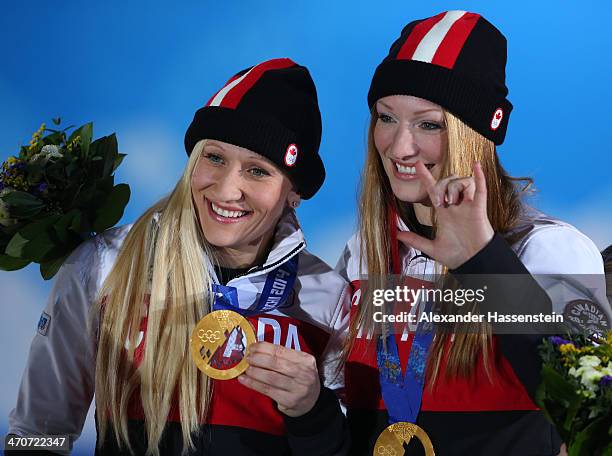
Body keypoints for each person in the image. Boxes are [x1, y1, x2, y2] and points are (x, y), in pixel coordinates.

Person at [8, 58, 350, 455]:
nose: (227, 190)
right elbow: (35, 432)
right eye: (215, 158)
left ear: (295, 192)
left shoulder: (328, 297)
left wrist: (312, 412)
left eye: (257, 171)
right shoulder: (104, 265)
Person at [335, 11, 611, 455]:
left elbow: (592, 414)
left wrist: (482, 261)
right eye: (386, 118)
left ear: (476, 135)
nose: (399, 146)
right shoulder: (362, 254)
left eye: (429, 124)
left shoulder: (552, 250)